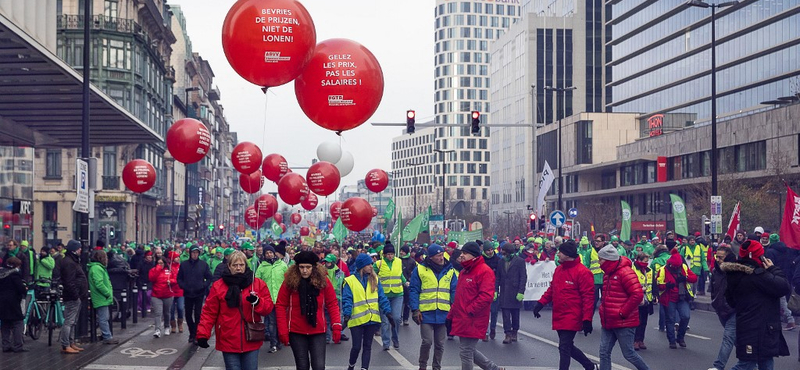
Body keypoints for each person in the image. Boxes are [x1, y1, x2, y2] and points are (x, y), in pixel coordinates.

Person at [196, 251, 274, 370]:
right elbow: (209, 312)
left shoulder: (257, 284)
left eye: (241, 265)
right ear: (229, 266)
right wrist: (203, 334)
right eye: (235, 265)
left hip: (251, 338)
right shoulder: (218, 286)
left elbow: (268, 308)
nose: (238, 268)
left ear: (245, 266)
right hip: (228, 338)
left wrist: (257, 302)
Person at [722, 240, 790, 369]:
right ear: (759, 256)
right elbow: (784, 287)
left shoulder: (735, 274)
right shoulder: (759, 276)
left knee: (764, 361)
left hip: (748, 326)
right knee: (747, 364)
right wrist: (772, 268)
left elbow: (731, 301)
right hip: (761, 329)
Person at [533, 240, 595, 370]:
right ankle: (590, 366)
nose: (558, 254)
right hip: (559, 314)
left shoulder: (583, 272)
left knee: (564, 347)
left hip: (573, 315)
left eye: (560, 252)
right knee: (566, 346)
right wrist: (540, 303)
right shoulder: (559, 270)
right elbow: (552, 289)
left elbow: (588, 298)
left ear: (567, 254)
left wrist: (587, 319)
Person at [276, 251, 341, 370]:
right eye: (301, 267)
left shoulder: (323, 281)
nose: (304, 270)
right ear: (297, 268)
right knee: (302, 366)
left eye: (308, 267)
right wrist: (282, 330)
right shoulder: (289, 282)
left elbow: (332, 304)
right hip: (296, 331)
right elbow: (280, 305)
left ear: (314, 267)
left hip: (318, 330)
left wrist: (336, 325)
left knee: (319, 366)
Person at [447, 242, 503, 370]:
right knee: (468, 350)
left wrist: (470, 311)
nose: (461, 256)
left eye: (464, 253)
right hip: (462, 318)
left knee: (466, 352)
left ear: (473, 255)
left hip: (473, 318)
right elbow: (460, 297)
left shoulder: (484, 271)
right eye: (461, 253)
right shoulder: (464, 271)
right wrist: (451, 315)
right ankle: (493, 368)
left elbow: (486, 296)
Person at [596, 246, 649, 370]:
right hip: (609, 320)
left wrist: (622, 313)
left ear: (608, 260)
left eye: (601, 260)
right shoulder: (607, 274)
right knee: (604, 352)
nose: (599, 262)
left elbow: (637, 294)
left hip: (624, 321)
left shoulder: (625, 272)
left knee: (629, 354)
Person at [409, 244, 457, 370]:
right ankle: (423, 365)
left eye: (442, 254)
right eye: (438, 255)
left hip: (443, 312)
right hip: (425, 312)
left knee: (440, 344)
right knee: (427, 342)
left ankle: (437, 367)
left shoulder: (450, 270)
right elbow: (414, 290)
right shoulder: (420, 269)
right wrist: (415, 309)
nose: (441, 258)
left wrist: (454, 307)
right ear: (430, 257)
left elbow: (454, 290)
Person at [342, 253, 393, 370]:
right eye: (368, 264)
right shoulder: (350, 281)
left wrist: (388, 312)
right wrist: (346, 315)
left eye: (371, 263)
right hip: (357, 320)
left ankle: (364, 368)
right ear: (361, 266)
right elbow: (347, 299)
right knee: (356, 347)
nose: (371, 266)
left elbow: (382, 297)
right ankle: (351, 366)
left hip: (372, 319)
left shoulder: (374, 279)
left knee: (367, 346)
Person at [657, 248, 697, 349]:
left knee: (685, 316)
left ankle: (680, 337)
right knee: (670, 319)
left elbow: (694, 278)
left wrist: (685, 278)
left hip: (682, 297)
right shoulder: (663, 270)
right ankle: (671, 341)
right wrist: (666, 285)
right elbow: (658, 284)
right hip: (669, 298)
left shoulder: (683, 267)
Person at [256, 243, 289, 353]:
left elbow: (289, 280)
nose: (269, 254)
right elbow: (257, 282)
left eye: (271, 252)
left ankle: (281, 340)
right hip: (268, 299)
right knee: (271, 322)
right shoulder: (261, 267)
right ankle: (273, 343)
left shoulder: (282, 265)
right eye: (267, 253)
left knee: (281, 320)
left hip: (281, 299)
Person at [708, 246, 737, 370]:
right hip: (721, 310)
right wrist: (715, 302)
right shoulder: (716, 271)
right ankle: (751, 362)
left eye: (721, 257)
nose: (718, 260)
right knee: (736, 340)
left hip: (734, 310)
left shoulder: (735, 271)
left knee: (728, 337)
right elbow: (713, 289)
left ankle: (718, 366)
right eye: (717, 257)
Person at [58, 240, 88, 354]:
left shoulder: (72, 261)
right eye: (79, 248)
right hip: (72, 296)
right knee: (69, 321)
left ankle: (71, 342)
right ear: (74, 249)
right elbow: (69, 281)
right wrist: (76, 295)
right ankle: (66, 345)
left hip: (75, 295)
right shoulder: (69, 262)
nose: (81, 250)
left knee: (73, 321)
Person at [178, 245, 212, 345]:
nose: (195, 254)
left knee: (198, 315)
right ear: (190, 253)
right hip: (188, 293)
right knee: (188, 315)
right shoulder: (184, 265)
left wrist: (203, 285)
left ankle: (196, 335)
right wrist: (183, 286)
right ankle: (191, 332)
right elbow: (179, 278)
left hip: (199, 293)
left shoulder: (203, 265)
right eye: (193, 252)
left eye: (196, 253)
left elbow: (209, 277)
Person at [374, 243, 404, 350]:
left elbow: (400, 274)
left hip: (397, 294)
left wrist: (405, 282)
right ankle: (386, 342)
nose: (390, 256)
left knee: (396, 318)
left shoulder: (399, 261)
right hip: (384, 296)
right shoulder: (379, 264)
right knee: (385, 320)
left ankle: (395, 339)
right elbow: (372, 276)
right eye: (388, 254)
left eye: (392, 254)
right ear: (384, 254)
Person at [495, 242, 527, 344]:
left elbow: (523, 277)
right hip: (504, 292)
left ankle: (514, 332)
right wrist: (495, 290)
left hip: (515, 292)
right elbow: (498, 277)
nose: (502, 253)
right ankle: (507, 334)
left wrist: (521, 291)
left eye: (504, 251)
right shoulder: (501, 262)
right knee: (505, 314)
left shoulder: (520, 261)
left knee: (515, 314)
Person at [87, 250, 119, 344]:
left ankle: (106, 335)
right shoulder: (97, 268)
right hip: (101, 297)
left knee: (105, 317)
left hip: (102, 297)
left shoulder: (98, 268)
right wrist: (107, 293)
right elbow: (99, 283)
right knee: (103, 318)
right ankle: (107, 337)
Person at [0, 257, 27, 352]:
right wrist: (25, 290)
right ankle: (18, 345)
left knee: (5, 323)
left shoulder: (1, 273)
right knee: (18, 322)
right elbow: (21, 289)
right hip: (13, 301)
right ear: (16, 266)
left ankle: (5, 345)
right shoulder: (14, 275)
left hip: (2, 301)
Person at [149, 256, 176, 338]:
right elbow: (152, 279)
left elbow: (175, 279)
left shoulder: (170, 271)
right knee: (158, 313)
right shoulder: (153, 270)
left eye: (161, 263)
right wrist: (157, 269)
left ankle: (167, 326)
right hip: (156, 295)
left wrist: (171, 281)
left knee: (167, 312)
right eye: (158, 263)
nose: (160, 264)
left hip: (168, 295)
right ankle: (157, 329)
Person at [632, 252, 654, 350]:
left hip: (646, 299)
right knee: (637, 321)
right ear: (639, 260)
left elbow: (653, 284)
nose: (646, 263)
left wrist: (655, 296)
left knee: (644, 321)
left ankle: (641, 340)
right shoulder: (633, 270)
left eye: (647, 261)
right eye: (644, 261)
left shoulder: (649, 271)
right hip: (636, 299)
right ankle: (635, 341)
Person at [481, 241, 501, 341]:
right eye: (488, 250)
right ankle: (485, 332)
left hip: (494, 288)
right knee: (484, 312)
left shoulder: (498, 259)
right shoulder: (481, 260)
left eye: (491, 250)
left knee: (494, 311)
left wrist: (496, 289)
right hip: (483, 289)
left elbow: (499, 275)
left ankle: (492, 328)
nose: (490, 252)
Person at [579, 236, 603, 313]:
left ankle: (607, 323)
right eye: (595, 241)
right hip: (594, 280)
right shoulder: (590, 252)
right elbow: (586, 265)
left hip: (604, 279)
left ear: (603, 242)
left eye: (598, 241)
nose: (596, 242)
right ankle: (588, 321)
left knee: (606, 303)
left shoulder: (606, 252)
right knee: (592, 302)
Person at [400, 244, 417, 326]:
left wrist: (410, 280)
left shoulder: (412, 261)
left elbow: (414, 272)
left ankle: (405, 318)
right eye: (400, 251)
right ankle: (399, 317)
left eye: (402, 251)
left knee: (407, 303)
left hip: (408, 284)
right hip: (399, 284)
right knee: (400, 302)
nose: (401, 252)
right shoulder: (398, 260)